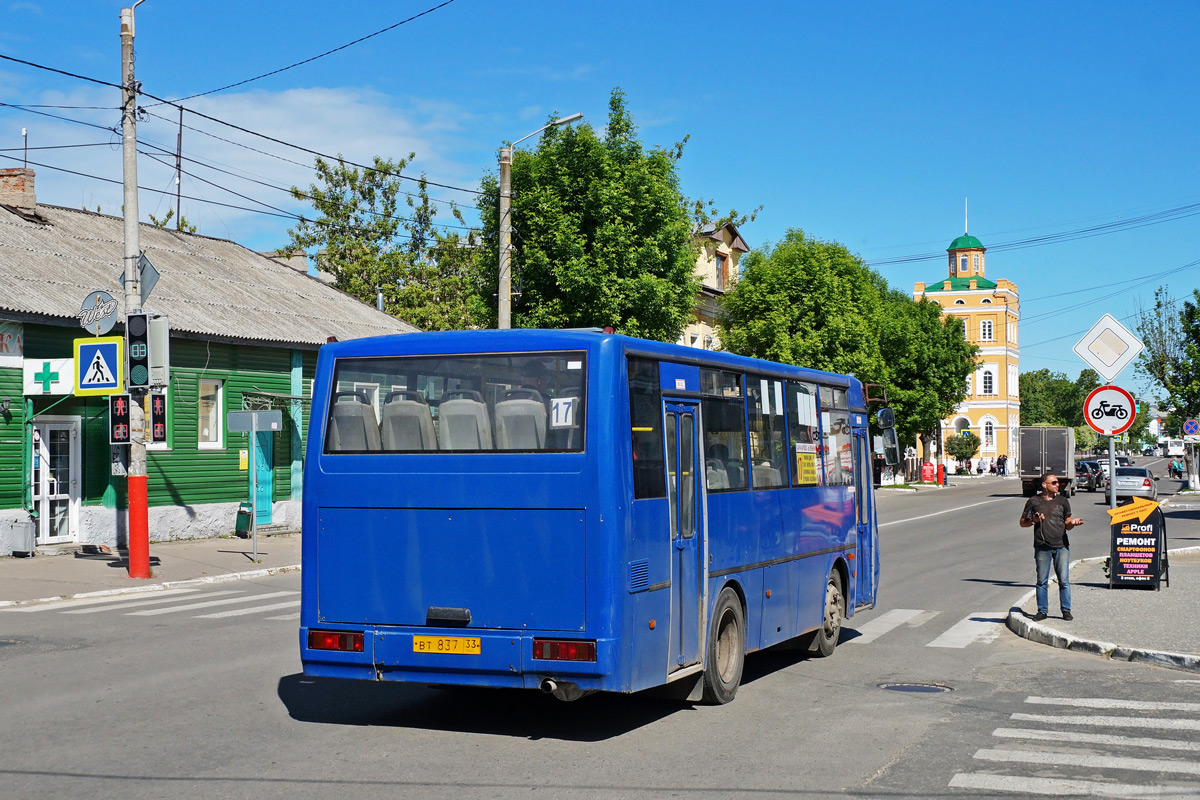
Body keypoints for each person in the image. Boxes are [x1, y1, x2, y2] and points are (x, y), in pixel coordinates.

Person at [1019, 472, 1084, 621]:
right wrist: (1034, 520)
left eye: (1057, 482)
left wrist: (1073, 523)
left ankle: (1066, 610)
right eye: (1054, 483)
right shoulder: (1033, 501)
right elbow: (1023, 522)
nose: (1057, 485)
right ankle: (1042, 611)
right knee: (1042, 581)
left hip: (1061, 546)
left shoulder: (1063, 501)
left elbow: (1067, 525)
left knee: (1064, 581)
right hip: (1042, 546)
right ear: (1044, 485)